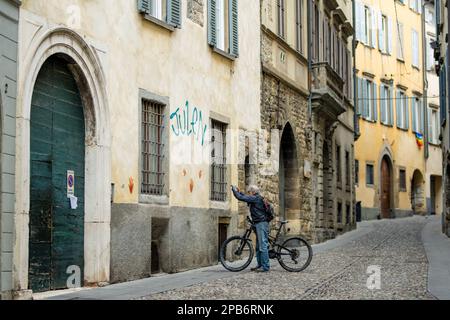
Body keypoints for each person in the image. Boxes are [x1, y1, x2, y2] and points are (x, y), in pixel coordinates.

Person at [231, 185, 270, 273]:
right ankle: (260, 265)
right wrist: (239, 191)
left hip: (261, 223)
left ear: (252, 192)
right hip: (258, 222)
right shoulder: (256, 198)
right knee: (258, 246)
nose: (249, 194)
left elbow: (241, 198)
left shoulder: (256, 198)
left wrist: (234, 191)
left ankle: (265, 266)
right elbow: (244, 197)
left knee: (263, 245)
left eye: (249, 192)